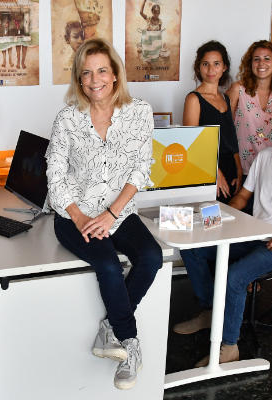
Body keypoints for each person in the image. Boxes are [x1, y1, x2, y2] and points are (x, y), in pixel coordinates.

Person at [173, 97, 272, 366]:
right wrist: (216, 215)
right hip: (254, 234)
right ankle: (212, 311)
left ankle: (229, 346)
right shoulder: (265, 156)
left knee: (235, 277)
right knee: (193, 248)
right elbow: (242, 198)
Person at [45, 38, 163, 390]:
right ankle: (130, 343)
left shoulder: (139, 112)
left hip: (119, 213)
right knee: (108, 264)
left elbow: (141, 170)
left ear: (114, 74)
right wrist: (80, 217)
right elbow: (54, 175)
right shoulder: (68, 118)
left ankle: (110, 326)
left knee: (152, 257)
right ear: (79, 79)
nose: (94, 80)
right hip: (73, 215)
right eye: (86, 73)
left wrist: (112, 214)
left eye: (101, 71)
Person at [226, 40, 272, 189]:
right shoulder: (238, 90)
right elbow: (224, 128)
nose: (261, 63)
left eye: (267, 58)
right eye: (256, 59)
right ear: (250, 63)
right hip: (242, 169)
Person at [183, 41, 241, 203]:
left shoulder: (226, 98)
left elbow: (231, 139)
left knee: (231, 216)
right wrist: (215, 172)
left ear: (224, 67)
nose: (211, 70)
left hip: (230, 170)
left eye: (216, 64)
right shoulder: (194, 99)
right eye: (205, 64)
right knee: (210, 215)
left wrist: (238, 169)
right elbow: (191, 143)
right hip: (206, 169)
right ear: (198, 67)